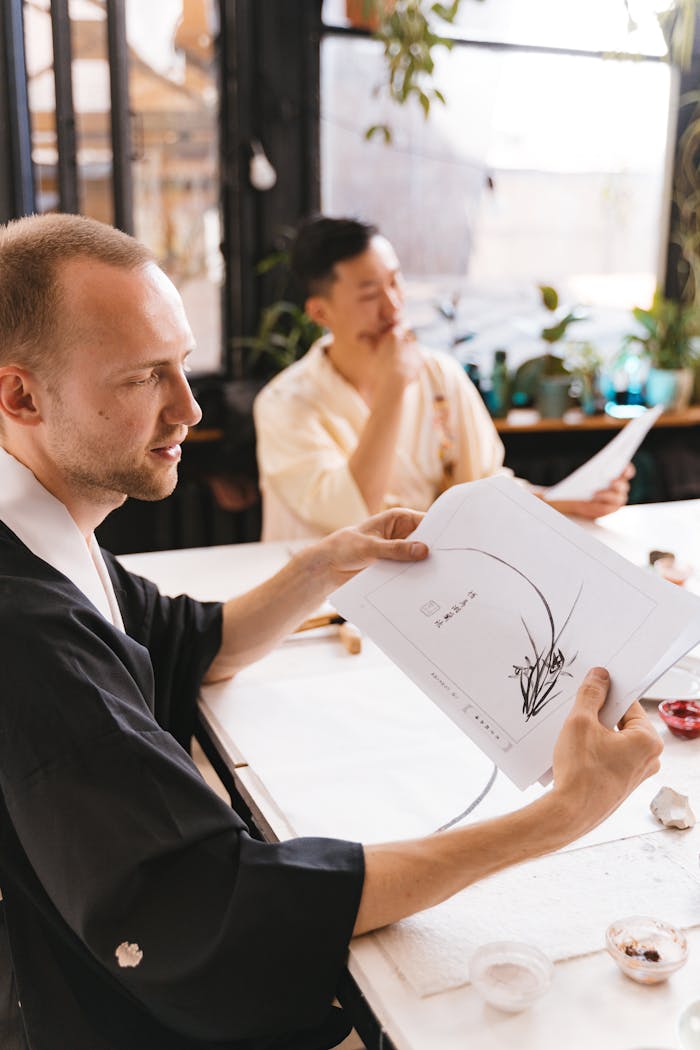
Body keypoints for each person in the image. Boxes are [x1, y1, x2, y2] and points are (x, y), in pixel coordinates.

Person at [0, 213, 661, 1050]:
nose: (190, 407)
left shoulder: (48, 534)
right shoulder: (25, 629)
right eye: (143, 378)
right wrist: (559, 817)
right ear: (21, 394)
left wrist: (324, 564)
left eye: (182, 363)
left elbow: (185, 642)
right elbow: (220, 910)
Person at [253, 216, 634, 540]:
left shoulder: (439, 375)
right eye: (370, 294)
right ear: (320, 312)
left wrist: (566, 500)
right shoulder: (284, 403)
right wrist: (393, 388)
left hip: (425, 577)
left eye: (395, 282)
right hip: (326, 596)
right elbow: (352, 517)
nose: (393, 305)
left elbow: (483, 486)